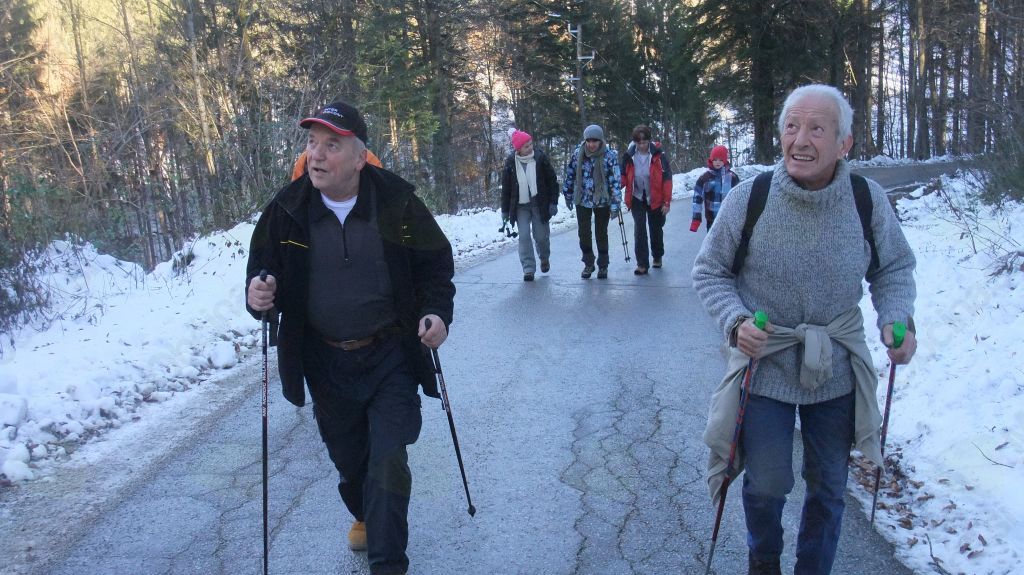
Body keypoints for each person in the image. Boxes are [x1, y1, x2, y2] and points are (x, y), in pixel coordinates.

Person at [692, 84, 918, 575]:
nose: (801, 139)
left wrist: (897, 319)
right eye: (792, 126)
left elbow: (894, 268)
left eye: (817, 128)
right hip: (766, 363)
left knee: (830, 486)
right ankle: (764, 561)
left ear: (844, 143)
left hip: (835, 365)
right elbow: (710, 271)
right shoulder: (750, 197)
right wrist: (735, 322)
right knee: (767, 483)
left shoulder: (865, 200)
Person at [245, 100, 455, 575]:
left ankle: (388, 563)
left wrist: (436, 313)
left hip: (390, 354)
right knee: (350, 461)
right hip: (325, 361)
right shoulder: (287, 210)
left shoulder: (396, 203)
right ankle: (364, 511)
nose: (317, 155)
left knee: (388, 457)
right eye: (312, 143)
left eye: (331, 145)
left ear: (360, 157)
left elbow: (435, 265)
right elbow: (261, 272)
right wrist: (259, 293)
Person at [561, 124, 623, 279]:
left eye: (594, 140)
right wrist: (567, 193)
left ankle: (603, 265)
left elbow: (615, 180)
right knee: (584, 233)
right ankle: (588, 263)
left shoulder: (609, 156)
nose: (591, 144)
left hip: (602, 200)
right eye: (588, 141)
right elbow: (570, 174)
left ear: (600, 140)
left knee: (601, 233)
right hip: (582, 199)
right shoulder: (578, 153)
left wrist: (615, 203)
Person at [500, 129, 560, 281]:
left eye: (530, 144)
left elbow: (552, 181)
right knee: (524, 236)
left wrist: (553, 202)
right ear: (518, 149)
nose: (530, 148)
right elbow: (506, 189)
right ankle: (528, 269)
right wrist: (505, 211)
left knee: (541, 236)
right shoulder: (511, 163)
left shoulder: (540, 158)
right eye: (526, 146)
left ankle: (544, 257)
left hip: (539, 204)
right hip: (520, 207)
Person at [620, 125, 673, 274]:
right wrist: (614, 188)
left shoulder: (659, 155)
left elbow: (667, 179)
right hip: (637, 197)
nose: (642, 145)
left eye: (644, 142)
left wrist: (666, 201)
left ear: (649, 140)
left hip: (655, 196)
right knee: (640, 229)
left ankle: (657, 255)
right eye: (639, 142)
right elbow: (623, 176)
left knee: (655, 228)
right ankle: (642, 264)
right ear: (635, 142)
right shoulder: (629, 156)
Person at [690, 145, 740, 232]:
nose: (718, 162)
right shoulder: (705, 178)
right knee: (712, 241)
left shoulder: (733, 177)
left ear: (725, 160)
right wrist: (696, 219)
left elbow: (739, 199)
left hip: (728, 220)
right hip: (712, 220)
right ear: (711, 160)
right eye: (715, 159)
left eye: (721, 160)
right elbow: (697, 199)